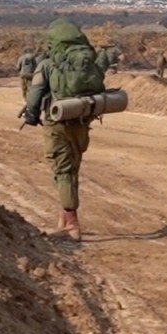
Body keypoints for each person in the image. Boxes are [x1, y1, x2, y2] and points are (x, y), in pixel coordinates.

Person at [20, 18, 102, 241]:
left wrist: (31, 114)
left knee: (62, 169)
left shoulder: (47, 64)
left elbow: (35, 94)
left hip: (58, 124)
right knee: (72, 169)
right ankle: (64, 219)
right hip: (82, 122)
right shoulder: (88, 63)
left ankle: (72, 225)